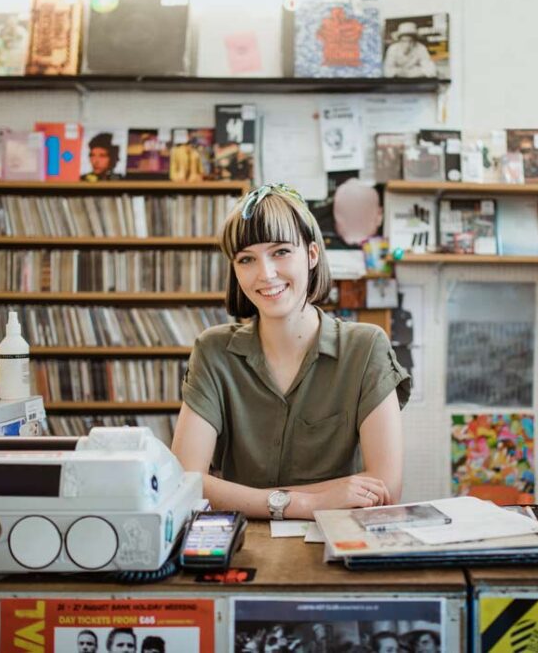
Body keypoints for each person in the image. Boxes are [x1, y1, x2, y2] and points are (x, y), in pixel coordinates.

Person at [172, 183, 410, 521]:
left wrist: (238, 496)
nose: (265, 273)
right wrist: (309, 503)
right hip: (243, 547)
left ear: (312, 255)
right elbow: (185, 483)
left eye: (281, 251)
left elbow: (384, 488)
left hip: (341, 546)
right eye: (247, 259)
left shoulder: (366, 347)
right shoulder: (213, 352)